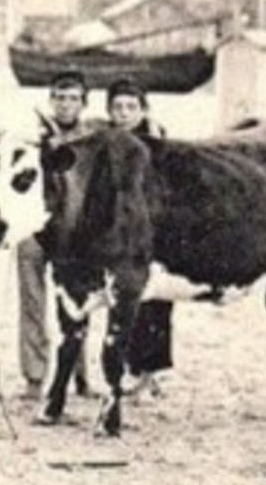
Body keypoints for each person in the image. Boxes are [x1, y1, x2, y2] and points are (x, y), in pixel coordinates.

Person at [17, 70, 97, 399]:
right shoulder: (31, 136)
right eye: (60, 98)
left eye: (73, 99)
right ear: (51, 100)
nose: (66, 105)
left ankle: (79, 375)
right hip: (34, 229)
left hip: (75, 234)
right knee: (33, 304)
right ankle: (34, 378)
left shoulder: (92, 140)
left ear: (83, 103)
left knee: (77, 305)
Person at [106, 79, 172, 400]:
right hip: (120, 234)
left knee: (157, 305)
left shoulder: (157, 141)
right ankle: (135, 370)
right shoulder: (107, 141)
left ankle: (153, 373)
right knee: (126, 304)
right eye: (117, 107)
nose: (124, 113)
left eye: (131, 107)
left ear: (143, 110)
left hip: (155, 229)